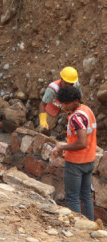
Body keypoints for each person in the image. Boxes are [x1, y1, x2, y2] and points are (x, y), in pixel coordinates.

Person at [51, 85, 97, 220]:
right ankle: (90, 225)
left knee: (72, 197)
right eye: (62, 103)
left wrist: (62, 147)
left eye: (66, 103)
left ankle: (76, 227)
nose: (63, 106)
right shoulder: (87, 110)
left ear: (76, 101)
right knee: (86, 196)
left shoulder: (76, 117)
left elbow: (82, 142)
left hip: (76, 162)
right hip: (89, 159)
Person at [39, 66, 80, 132]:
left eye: (71, 84)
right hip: (53, 108)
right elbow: (42, 104)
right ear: (61, 79)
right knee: (45, 129)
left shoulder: (76, 85)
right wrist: (43, 121)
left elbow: (79, 101)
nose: (68, 86)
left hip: (68, 108)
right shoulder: (52, 89)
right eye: (65, 83)